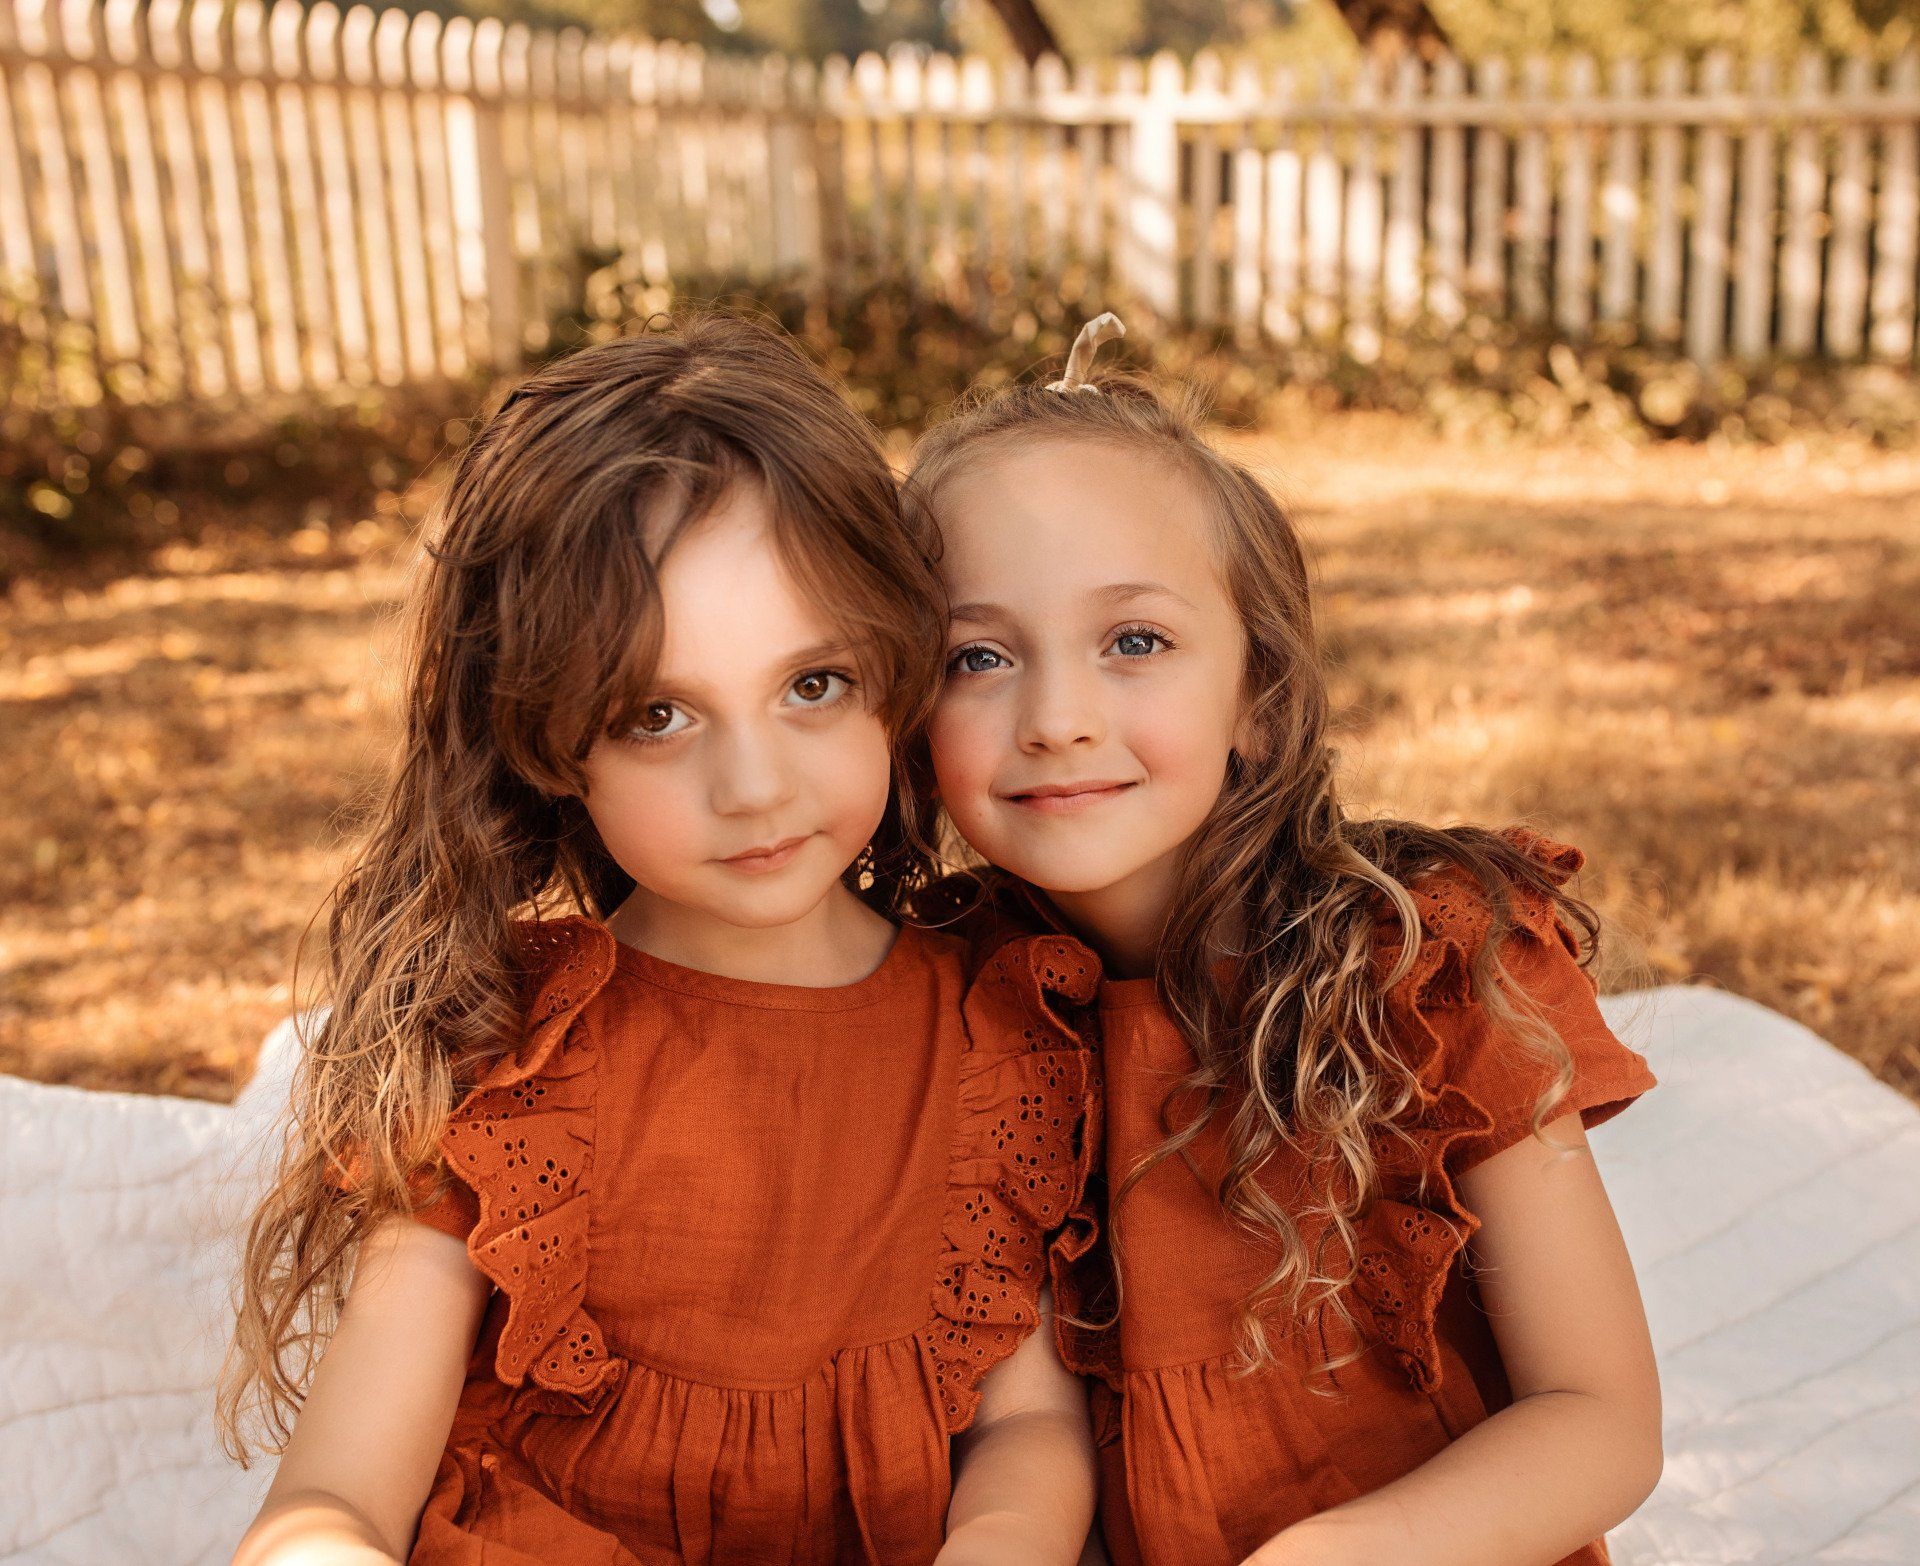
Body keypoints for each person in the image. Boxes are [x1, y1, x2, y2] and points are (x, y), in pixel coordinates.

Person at [221, 311, 1100, 1566]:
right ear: (547, 737)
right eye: (659, 714)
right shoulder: (505, 1054)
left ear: (898, 666)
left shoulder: (994, 1033)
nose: (754, 786)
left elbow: (1026, 1426)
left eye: (813, 685)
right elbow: (340, 1495)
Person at [902, 313, 1663, 1566]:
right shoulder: (953, 1003)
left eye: (1133, 641)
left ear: (1258, 694)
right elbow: (1021, 1429)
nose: (1056, 716)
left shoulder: (1432, 954)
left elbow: (1604, 1425)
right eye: (976, 656)